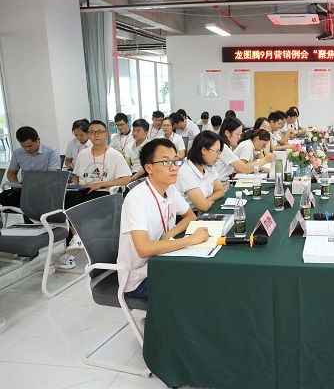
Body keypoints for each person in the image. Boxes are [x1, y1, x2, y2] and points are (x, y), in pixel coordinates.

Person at [117, 139, 209, 299]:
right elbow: (144, 249)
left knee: (206, 276)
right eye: (166, 162)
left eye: (176, 161)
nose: (174, 167)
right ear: (148, 168)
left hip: (163, 262)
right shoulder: (136, 199)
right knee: (197, 291)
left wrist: (168, 235)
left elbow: (190, 216)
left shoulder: (169, 188)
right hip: (140, 278)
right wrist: (190, 240)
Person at [62, 120, 131, 268]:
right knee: (67, 198)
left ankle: (76, 239)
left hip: (105, 193)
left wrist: (100, 184)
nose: (96, 135)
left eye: (99, 132)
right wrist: (73, 185)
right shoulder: (83, 154)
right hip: (84, 191)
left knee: (75, 206)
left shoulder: (115, 155)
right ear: (88, 135)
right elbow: (76, 176)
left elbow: (126, 179)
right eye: (92, 132)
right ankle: (75, 239)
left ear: (106, 134)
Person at [0, 127, 61, 222]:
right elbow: (11, 172)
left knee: (32, 202)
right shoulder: (18, 153)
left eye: (30, 146)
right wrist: (15, 183)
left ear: (38, 139)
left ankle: (36, 224)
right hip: (25, 190)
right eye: (23, 146)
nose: (27, 149)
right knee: (3, 197)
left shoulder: (51, 151)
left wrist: (37, 183)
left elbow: (53, 174)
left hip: (45, 189)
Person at [176, 131, 225, 215]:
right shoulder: (186, 172)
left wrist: (207, 200)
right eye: (217, 152)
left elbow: (220, 191)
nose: (218, 156)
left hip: (204, 210)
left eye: (219, 152)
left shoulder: (208, 166)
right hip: (189, 215)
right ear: (204, 150)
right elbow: (203, 206)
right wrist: (204, 204)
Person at [214, 117, 275, 182]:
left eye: (240, 134)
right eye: (237, 134)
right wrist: (265, 160)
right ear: (227, 133)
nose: (239, 137)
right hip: (221, 182)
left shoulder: (227, 147)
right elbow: (244, 168)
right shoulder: (223, 147)